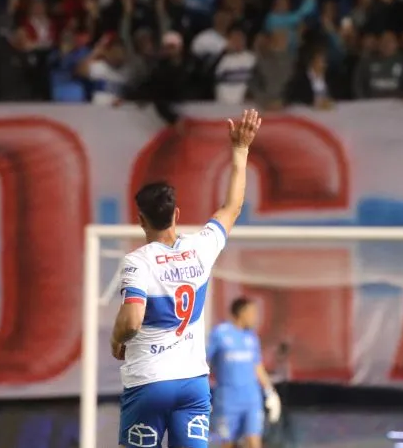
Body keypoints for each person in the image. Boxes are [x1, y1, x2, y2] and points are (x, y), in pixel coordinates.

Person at [111, 109, 263, 448]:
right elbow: (232, 206)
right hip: (192, 383)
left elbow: (132, 321)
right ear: (176, 215)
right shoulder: (200, 249)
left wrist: (115, 338)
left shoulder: (138, 262)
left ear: (140, 219)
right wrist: (241, 149)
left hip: (149, 382)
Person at [208, 297, 282, 448]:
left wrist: (270, 391)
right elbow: (205, 363)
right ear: (241, 313)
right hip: (227, 399)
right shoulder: (220, 333)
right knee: (226, 443)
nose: (255, 317)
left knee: (254, 442)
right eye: (252, 312)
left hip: (251, 399)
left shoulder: (251, 337)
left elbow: (257, 366)